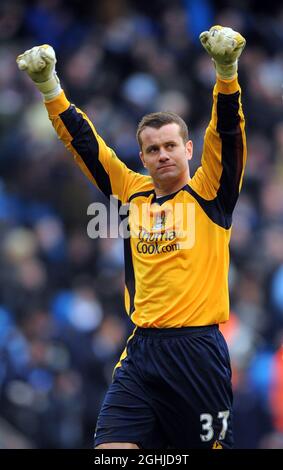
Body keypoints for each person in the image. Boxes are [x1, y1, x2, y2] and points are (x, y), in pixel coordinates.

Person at [17, 25, 247, 449]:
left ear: (188, 149)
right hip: (142, 351)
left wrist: (226, 71)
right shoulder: (129, 191)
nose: (162, 155)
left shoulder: (210, 191)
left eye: (170, 146)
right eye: (153, 149)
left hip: (198, 352)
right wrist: (50, 88)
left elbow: (228, 135)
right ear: (141, 157)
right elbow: (87, 146)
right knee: (110, 449)